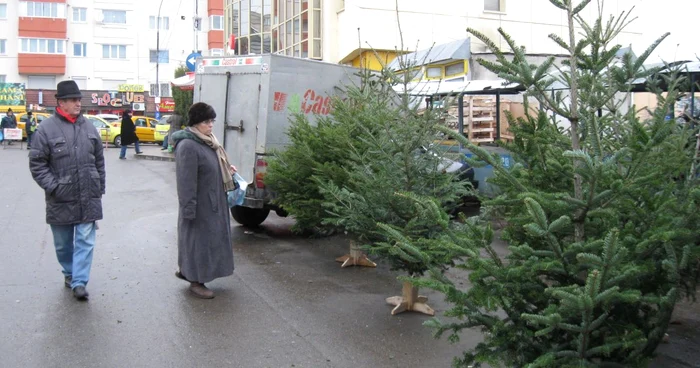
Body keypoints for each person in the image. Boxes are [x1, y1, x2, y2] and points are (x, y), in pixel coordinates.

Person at [28, 80, 106, 301]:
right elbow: (37, 164)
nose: (78, 103)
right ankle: (69, 272)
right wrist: (54, 186)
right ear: (61, 102)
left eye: (79, 99)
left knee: (85, 240)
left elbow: (99, 160)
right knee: (63, 244)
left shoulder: (90, 127)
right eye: (73, 99)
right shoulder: (46, 129)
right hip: (60, 197)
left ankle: (79, 281)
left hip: (88, 196)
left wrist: (99, 187)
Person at [171, 102, 236, 299]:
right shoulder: (188, 146)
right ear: (196, 123)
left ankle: (188, 271)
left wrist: (227, 170)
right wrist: (189, 210)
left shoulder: (208, 141)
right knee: (197, 243)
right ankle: (195, 281)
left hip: (213, 202)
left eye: (212, 121)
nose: (210, 125)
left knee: (206, 243)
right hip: (199, 206)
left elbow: (210, 168)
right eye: (206, 121)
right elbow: (185, 182)